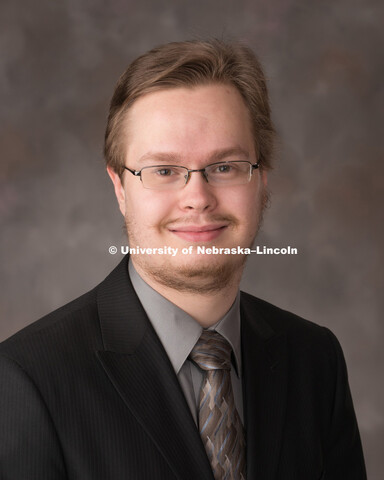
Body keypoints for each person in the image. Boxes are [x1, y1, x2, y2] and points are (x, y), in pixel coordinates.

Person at [0, 39, 366, 480]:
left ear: (262, 181)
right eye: (164, 171)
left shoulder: (314, 359)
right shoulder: (26, 379)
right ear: (120, 187)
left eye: (226, 166)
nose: (197, 198)